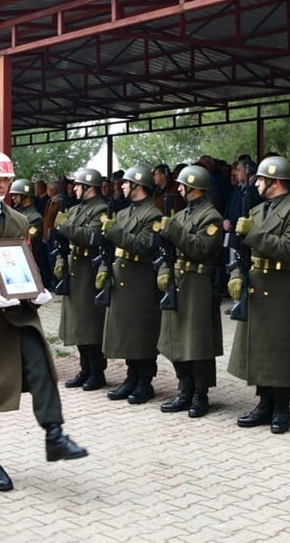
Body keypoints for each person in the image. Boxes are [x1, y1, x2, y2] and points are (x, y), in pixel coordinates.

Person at [0, 150, 87, 492]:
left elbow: (21, 260)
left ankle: (54, 434)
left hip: (18, 309)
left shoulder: (19, 219)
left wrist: (37, 287)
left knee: (40, 365)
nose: (3, 185)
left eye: (6, 179)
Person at [227, 156, 290, 434]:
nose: (257, 184)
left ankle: (282, 408)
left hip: (283, 287)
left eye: (262, 180)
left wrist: (254, 234)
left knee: (282, 350)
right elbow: (243, 254)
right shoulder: (258, 210)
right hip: (257, 281)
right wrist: (237, 276)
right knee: (261, 349)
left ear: (276, 181)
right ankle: (264, 402)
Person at [156, 163, 224, 418]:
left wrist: (174, 230)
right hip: (178, 280)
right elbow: (168, 250)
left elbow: (199, 248)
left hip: (198, 282)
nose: (179, 189)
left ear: (192, 186)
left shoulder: (211, 217)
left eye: (182, 185)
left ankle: (200, 394)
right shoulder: (182, 214)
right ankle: (184, 389)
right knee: (175, 338)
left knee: (198, 342)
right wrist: (164, 270)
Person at [98, 165, 164, 405]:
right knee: (127, 331)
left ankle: (144, 381)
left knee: (142, 332)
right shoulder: (125, 213)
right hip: (123, 276)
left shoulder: (153, 214)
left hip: (141, 279)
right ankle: (131, 376)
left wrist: (114, 232)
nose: (122, 187)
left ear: (138, 186)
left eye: (126, 183)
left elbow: (143, 245)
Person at [55, 167, 109, 392]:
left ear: (89, 188)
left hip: (89, 269)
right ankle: (85, 367)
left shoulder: (102, 209)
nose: (74, 188)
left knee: (90, 323)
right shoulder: (76, 208)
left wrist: (66, 227)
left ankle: (97, 371)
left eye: (78, 185)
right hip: (75, 267)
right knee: (77, 323)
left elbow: (92, 236)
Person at [10, 178, 50, 287]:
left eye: (16, 195)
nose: (13, 198)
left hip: (27, 264)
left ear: (25, 196)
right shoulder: (14, 212)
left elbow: (27, 239)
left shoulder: (35, 218)